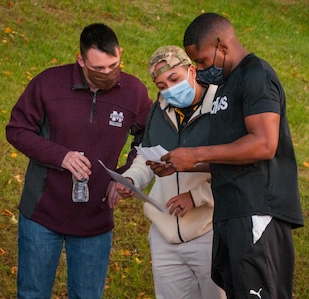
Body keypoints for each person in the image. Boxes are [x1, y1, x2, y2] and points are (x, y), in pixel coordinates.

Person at [160, 13, 304, 298]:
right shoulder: (227, 85)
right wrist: (185, 164)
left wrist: (197, 152)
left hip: (256, 209)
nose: (200, 71)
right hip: (231, 212)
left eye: (201, 61)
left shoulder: (256, 75)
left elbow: (264, 144)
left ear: (221, 46)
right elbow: (233, 154)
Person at [5, 23, 152, 299]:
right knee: (32, 294)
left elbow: (150, 135)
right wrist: (61, 156)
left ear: (120, 53)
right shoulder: (48, 83)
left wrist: (125, 175)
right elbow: (17, 130)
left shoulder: (134, 91)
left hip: (95, 220)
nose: (108, 74)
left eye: (114, 65)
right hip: (41, 214)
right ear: (81, 60)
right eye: (99, 69)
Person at [112, 46, 225, 299]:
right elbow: (146, 153)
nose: (169, 89)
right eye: (162, 85)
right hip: (164, 233)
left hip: (209, 231)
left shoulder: (221, 107)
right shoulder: (159, 109)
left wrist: (197, 197)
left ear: (192, 71)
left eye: (174, 79)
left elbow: (237, 168)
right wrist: (133, 179)